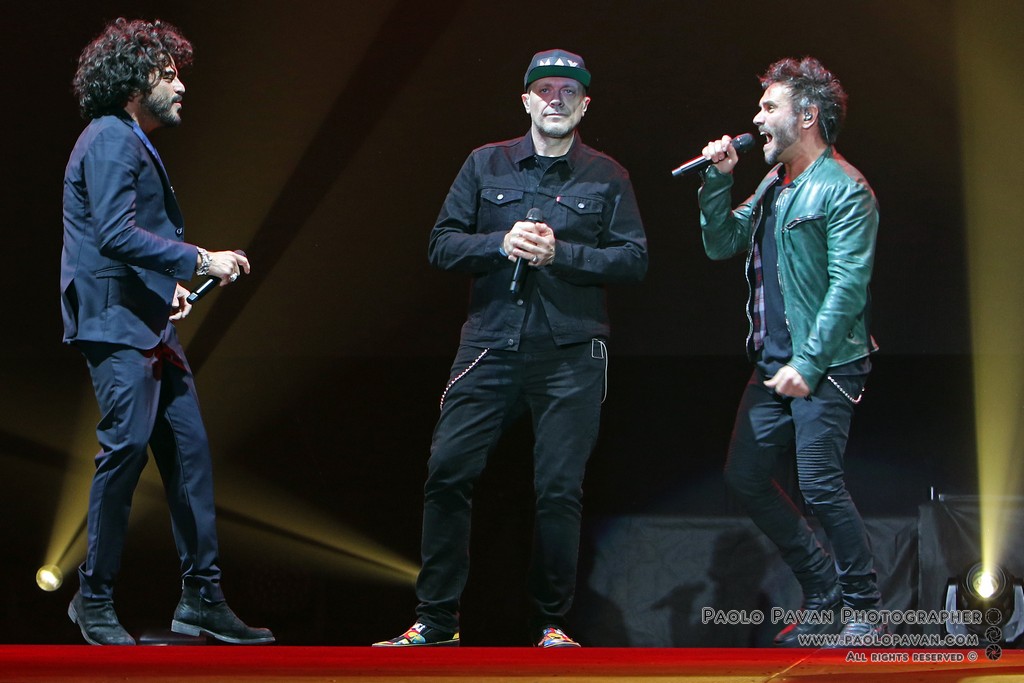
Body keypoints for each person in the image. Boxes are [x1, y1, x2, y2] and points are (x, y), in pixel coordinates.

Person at [375, 49, 647, 648]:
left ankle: (550, 623)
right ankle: (436, 620)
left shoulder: (608, 175)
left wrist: (561, 254)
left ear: (584, 106)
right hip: (490, 345)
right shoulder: (485, 163)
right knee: (448, 471)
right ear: (526, 100)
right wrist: (499, 243)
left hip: (571, 353)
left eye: (569, 92)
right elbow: (441, 244)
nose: (556, 100)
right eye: (545, 90)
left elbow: (633, 259)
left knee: (558, 490)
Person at [61, 17, 273, 646]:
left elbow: (122, 238)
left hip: (145, 320)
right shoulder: (110, 137)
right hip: (115, 322)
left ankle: (203, 598)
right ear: (135, 81)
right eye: (170, 74)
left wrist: (166, 287)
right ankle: (93, 597)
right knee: (126, 449)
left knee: (188, 456)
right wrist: (199, 260)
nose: (181, 87)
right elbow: (113, 233)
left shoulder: (125, 138)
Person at [696, 56, 883, 646]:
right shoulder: (773, 184)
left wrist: (809, 362)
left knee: (820, 483)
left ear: (806, 116)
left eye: (768, 107)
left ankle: (864, 608)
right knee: (746, 476)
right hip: (774, 362)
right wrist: (717, 180)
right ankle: (824, 590)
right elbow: (721, 242)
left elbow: (848, 287)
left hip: (826, 362)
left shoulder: (845, 188)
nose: (756, 119)